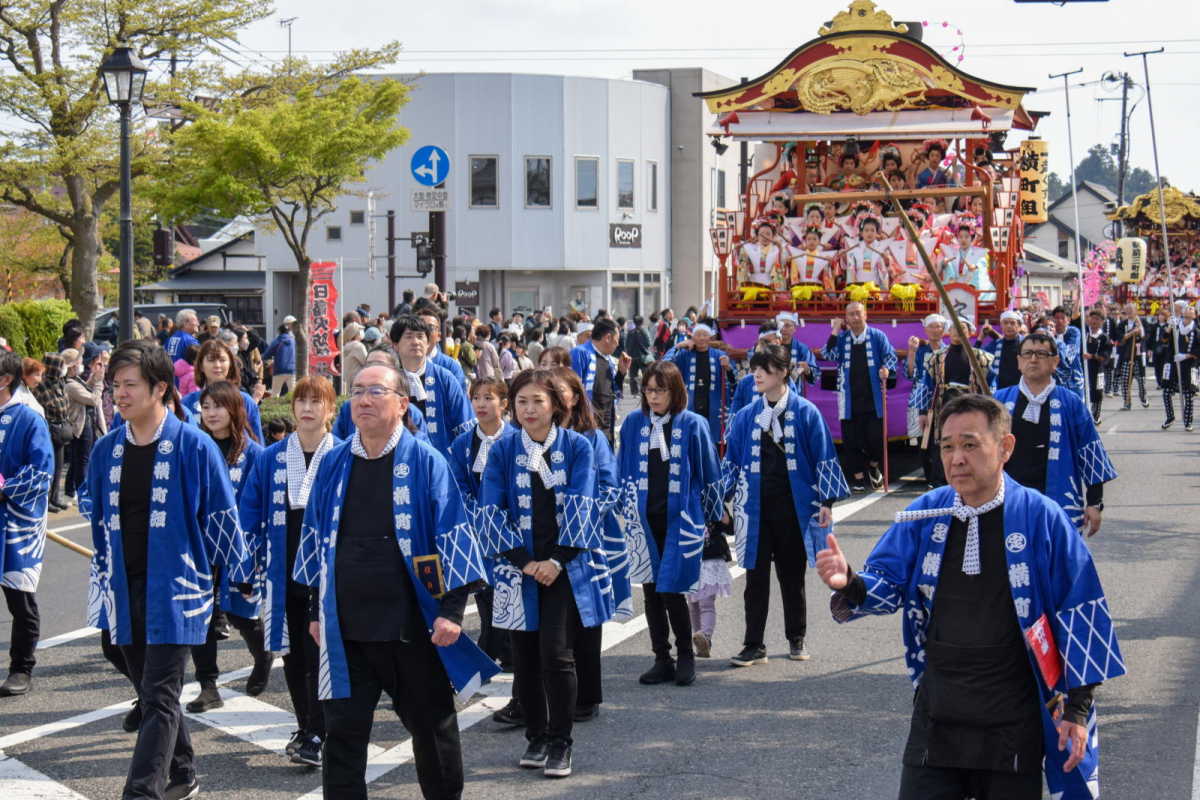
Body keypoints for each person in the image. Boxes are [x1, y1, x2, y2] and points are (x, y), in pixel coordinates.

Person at [816, 393, 1125, 800]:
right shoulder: (927, 512)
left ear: (1005, 447)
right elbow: (885, 583)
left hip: (1013, 710)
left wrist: (1077, 709)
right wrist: (850, 582)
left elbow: (1081, 610)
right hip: (940, 705)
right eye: (946, 446)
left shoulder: (1041, 516)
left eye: (970, 444)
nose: (956, 458)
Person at [293, 362, 496, 799]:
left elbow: (454, 534)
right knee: (342, 739)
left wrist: (452, 612)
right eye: (357, 390)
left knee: (433, 730)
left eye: (376, 392)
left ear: (402, 404)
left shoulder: (425, 460)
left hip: (412, 627)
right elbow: (314, 539)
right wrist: (314, 610)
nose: (363, 400)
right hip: (346, 627)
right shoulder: (333, 461)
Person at [85, 339, 247, 800]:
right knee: (150, 689)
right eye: (115, 385)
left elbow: (220, 517)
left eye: (130, 384)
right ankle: (183, 772)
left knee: (158, 694)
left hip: (177, 588)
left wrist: (236, 584)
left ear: (160, 389)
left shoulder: (193, 446)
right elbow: (96, 518)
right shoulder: (106, 450)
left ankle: (142, 792)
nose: (120, 393)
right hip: (124, 585)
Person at [477, 369, 611, 779]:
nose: (529, 409)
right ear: (511, 406)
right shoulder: (502, 451)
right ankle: (535, 735)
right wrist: (523, 561)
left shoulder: (577, 447)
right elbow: (490, 509)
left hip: (563, 569)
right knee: (524, 657)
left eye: (537, 400)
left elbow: (585, 504)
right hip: (519, 571)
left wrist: (555, 560)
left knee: (556, 653)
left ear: (557, 404)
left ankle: (561, 741)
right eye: (521, 401)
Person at [722, 344, 848, 667]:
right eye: (754, 369)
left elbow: (823, 455)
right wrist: (721, 499)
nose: (756, 375)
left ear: (782, 372)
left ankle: (797, 636)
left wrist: (827, 502)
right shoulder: (746, 415)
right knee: (755, 577)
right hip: (754, 508)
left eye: (763, 369)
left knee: (792, 576)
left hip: (793, 508)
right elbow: (732, 461)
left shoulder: (806, 412)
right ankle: (754, 643)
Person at [235, 375, 339, 768]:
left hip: (328, 578)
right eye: (301, 401)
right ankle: (307, 726)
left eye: (317, 402)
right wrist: (244, 565)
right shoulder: (272, 457)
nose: (308, 409)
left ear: (331, 410)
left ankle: (318, 730)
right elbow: (249, 511)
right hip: (284, 573)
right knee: (292, 656)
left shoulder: (343, 454)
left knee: (320, 656)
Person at [617, 361, 723, 684]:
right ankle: (661, 657)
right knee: (650, 592)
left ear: (674, 390)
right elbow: (623, 468)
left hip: (681, 518)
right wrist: (624, 506)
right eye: (648, 389)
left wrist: (713, 516)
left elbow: (708, 471)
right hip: (644, 518)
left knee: (673, 589)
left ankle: (686, 655)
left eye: (659, 389)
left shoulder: (692, 423)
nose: (653, 396)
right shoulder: (634, 423)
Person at [546, 366, 626, 719]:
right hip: (543, 544)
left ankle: (587, 695)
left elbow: (611, 488)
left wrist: (581, 517)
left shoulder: (592, 438)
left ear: (575, 396)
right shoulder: (534, 438)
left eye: (560, 390)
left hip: (587, 543)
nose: (553, 397)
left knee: (586, 619)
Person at [189, 380, 272, 713]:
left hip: (241, 548)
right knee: (202, 617)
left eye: (218, 406)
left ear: (235, 409)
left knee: (241, 616)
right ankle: (208, 685)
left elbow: (261, 505)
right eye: (205, 407)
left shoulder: (254, 453)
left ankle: (263, 653)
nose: (210, 413)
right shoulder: (193, 446)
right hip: (200, 547)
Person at [994, 331, 1117, 535]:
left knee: (1056, 559)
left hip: (1057, 493)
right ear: (1018, 361)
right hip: (1007, 495)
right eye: (1027, 354)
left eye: (1041, 354)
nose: (1033, 359)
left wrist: (1095, 502)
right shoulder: (999, 400)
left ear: (1055, 361)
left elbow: (1090, 450)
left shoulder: (1071, 402)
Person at [448, 377, 518, 676]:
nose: (480, 404)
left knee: (506, 591)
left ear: (504, 404)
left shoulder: (517, 438)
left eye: (488, 398)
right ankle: (500, 653)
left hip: (512, 530)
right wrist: (479, 515)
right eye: (475, 397)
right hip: (476, 530)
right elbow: (457, 483)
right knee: (485, 592)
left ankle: (490, 656)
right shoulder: (463, 442)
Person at [0, 351, 54, 697]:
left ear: (5, 380)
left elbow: (42, 472)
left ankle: (22, 667)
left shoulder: (29, 417)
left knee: (19, 597)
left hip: (15, 522)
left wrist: (5, 486)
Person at [822, 302, 897, 493]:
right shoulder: (843, 338)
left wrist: (886, 370)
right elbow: (827, 354)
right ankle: (857, 478)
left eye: (858, 313)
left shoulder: (877, 335)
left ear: (865, 315)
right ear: (846, 317)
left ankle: (873, 466)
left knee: (876, 439)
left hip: (873, 398)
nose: (855, 317)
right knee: (851, 441)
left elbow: (891, 356)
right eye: (850, 314)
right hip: (848, 399)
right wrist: (835, 330)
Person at [917, 319, 993, 488]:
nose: (957, 331)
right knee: (941, 441)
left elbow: (990, 384)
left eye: (962, 327)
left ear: (969, 332)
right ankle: (937, 481)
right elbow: (926, 386)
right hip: (942, 402)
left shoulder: (981, 357)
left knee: (970, 440)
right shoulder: (935, 358)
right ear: (948, 332)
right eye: (953, 328)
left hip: (971, 404)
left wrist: (991, 408)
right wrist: (923, 412)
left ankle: (972, 476)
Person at [390, 314, 475, 453]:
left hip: (440, 457)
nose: (415, 342)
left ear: (428, 342)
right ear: (395, 344)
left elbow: (465, 424)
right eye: (408, 337)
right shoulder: (387, 379)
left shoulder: (445, 378)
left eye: (420, 336)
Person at [662, 322, 735, 447]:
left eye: (705, 334)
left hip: (713, 404)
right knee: (690, 437)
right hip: (690, 402)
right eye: (698, 335)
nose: (702, 338)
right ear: (692, 337)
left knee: (713, 440)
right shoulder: (684, 354)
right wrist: (678, 346)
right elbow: (664, 366)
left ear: (710, 337)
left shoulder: (719, 355)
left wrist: (728, 367)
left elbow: (733, 381)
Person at [180, 339, 265, 443]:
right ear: (201, 366)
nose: (217, 365)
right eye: (211, 360)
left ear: (230, 364)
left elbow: (258, 444)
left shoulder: (245, 401)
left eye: (222, 360)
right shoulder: (187, 402)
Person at [569, 317, 630, 445]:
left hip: (606, 425)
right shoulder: (580, 353)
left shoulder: (608, 360)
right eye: (617, 339)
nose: (618, 344)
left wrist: (621, 373)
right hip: (586, 426)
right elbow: (572, 390)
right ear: (608, 337)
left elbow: (612, 392)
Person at [904, 314, 945, 486]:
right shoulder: (921, 350)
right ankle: (929, 476)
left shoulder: (948, 350)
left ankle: (937, 478)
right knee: (922, 442)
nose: (935, 330)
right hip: (919, 399)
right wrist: (911, 352)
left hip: (942, 400)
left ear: (944, 330)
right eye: (932, 327)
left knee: (941, 441)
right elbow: (910, 374)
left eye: (938, 327)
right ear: (926, 330)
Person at [63, 345, 108, 500]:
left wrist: (94, 377)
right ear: (72, 366)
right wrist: (99, 381)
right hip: (81, 426)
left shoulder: (74, 381)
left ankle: (70, 489)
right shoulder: (70, 385)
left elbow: (85, 389)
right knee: (83, 460)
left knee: (77, 460)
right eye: (79, 361)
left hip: (81, 424)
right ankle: (82, 492)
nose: (81, 363)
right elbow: (94, 399)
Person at [32, 352, 71, 512]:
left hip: (61, 429)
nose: (63, 369)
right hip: (49, 429)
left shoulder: (60, 383)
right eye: (61, 366)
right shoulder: (42, 386)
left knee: (58, 466)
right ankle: (46, 500)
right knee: (47, 466)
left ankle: (55, 497)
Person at [1159, 304, 1200, 431]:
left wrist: (1187, 356)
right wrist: (1169, 327)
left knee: (1188, 394)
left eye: (1191, 309)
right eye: (1187, 308)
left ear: (1194, 315)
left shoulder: (1197, 331)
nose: (1188, 309)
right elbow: (1164, 340)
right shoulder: (1175, 326)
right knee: (1166, 392)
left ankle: (1188, 421)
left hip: (1188, 364)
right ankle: (1170, 416)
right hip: (1172, 363)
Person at [416, 308, 468, 388]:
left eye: (430, 328)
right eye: (420, 327)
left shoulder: (451, 366)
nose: (425, 332)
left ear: (439, 336)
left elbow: (460, 398)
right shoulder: (401, 365)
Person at [977, 310, 1024, 390]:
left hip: (1021, 386)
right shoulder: (995, 344)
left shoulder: (1026, 343)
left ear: (1019, 326)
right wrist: (981, 338)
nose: (1009, 326)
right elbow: (976, 357)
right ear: (1001, 326)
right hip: (999, 388)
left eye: (1012, 323)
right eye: (1005, 323)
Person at [1114, 302, 1149, 409]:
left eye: (1131, 309)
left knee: (1141, 379)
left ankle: (1143, 397)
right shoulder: (1122, 324)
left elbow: (1144, 336)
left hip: (1138, 354)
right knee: (1125, 380)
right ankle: (1127, 402)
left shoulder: (1142, 322)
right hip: (1126, 355)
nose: (1129, 311)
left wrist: (1139, 325)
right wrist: (1132, 332)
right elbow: (1121, 338)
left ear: (1135, 310)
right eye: (1127, 309)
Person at [774, 312, 819, 394]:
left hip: (793, 393)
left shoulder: (801, 348)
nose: (783, 329)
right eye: (780, 325)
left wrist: (807, 370)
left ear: (794, 328)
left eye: (787, 325)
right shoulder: (768, 346)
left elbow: (815, 373)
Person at [1082, 310, 1114, 424]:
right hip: (1084, 367)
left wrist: (1093, 356)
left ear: (1102, 322)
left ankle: (1096, 416)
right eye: (1093, 318)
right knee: (1084, 391)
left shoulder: (1104, 337)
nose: (1094, 321)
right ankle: (1085, 414)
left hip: (1097, 368)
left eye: (1098, 319)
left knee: (1097, 391)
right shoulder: (1084, 333)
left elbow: (1106, 354)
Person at [1052, 306, 1085, 398]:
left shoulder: (1073, 332)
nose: (1060, 321)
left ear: (1068, 320)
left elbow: (1069, 354)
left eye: (1063, 318)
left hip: (1073, 375)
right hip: (1054, 375)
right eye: (1057, 318)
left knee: (1076, 404)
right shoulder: (1049, 332)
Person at [623, 315, 651, 396]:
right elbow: (649, 342)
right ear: (642, 322)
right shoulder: (644, 331)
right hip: (643, 356)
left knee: (633, 374)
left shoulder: (631, 332)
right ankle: (645, 390)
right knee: (645, 374)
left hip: (632, 356)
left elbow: (626, 343)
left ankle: (634, 391)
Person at [341, 322, 368, 392]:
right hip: (358, 380)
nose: (362, 332)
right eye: (360, 331)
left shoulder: (345, 346)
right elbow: (367, 363)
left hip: (348, 381)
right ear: (355, 334)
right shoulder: (359, 346)